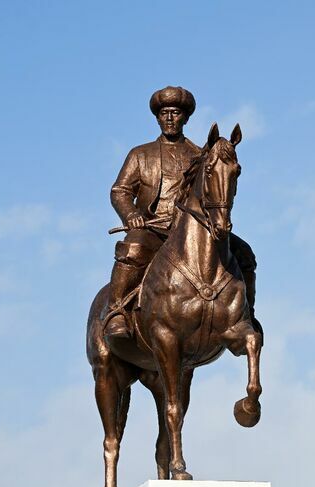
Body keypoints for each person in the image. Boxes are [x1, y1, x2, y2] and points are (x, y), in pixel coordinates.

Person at [105, 86, 259, 341]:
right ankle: (117, 311)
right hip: (153, 229)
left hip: (193, 232)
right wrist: (131, 215)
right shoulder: (140, 154)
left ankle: (246, 316)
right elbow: (120, 191)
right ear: (157, 117)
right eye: (164, 113)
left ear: (185, 118)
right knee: (132, 248)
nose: (169, 118)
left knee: (244, 254)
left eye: (175, 113)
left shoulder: (201, 155)